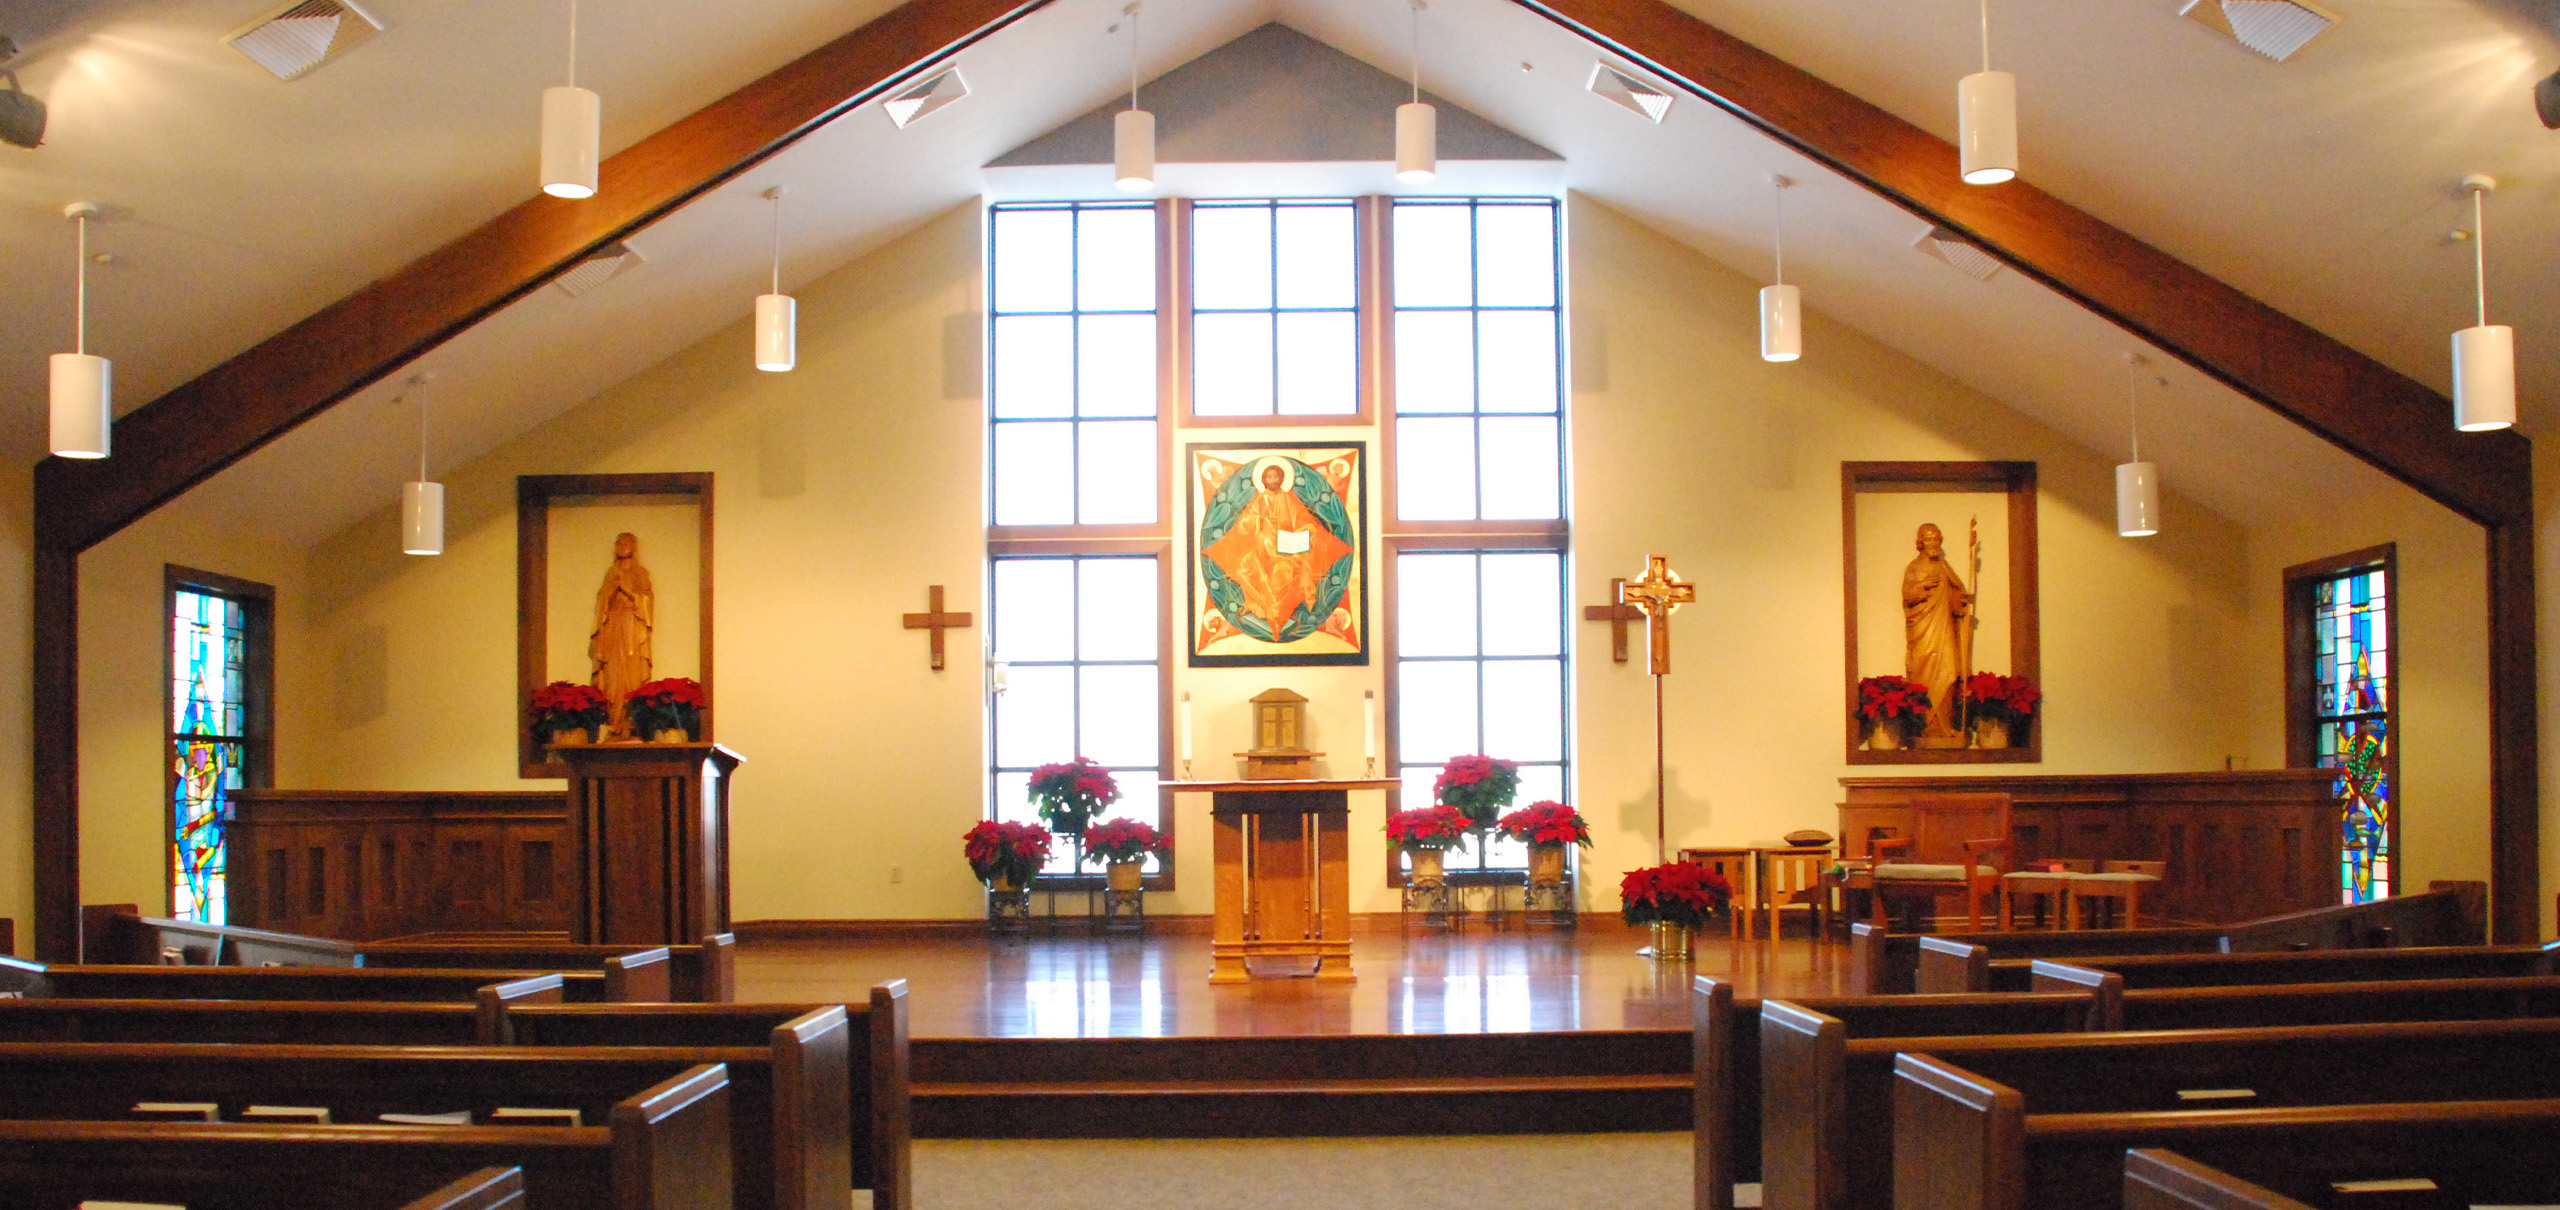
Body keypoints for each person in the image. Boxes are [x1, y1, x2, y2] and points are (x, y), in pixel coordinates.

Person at [1207, 459, 1342, 634]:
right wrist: (1258, 518)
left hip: (1287, 543)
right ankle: (1259, 607)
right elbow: (1244, 525)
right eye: (1268, 477)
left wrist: (1307, 531)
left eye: (1275, 477)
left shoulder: (1287, 498)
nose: (1272, 480)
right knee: (1248, 566)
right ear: (1263, 480)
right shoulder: (1261, 499)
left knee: (1285, 569)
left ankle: (1278, 612)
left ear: (1281, 478)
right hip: (1265, 541)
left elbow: (1300, 521)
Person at [1901, 522, 1971, 742]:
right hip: (1923, 629)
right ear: (1920, 542)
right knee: (1924, 674)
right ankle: (1925, 727)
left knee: (1949, 671)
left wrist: (1960, 599)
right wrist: (1923, 586)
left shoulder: (1944, 566)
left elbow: (1955, 593)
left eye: (1936, 539)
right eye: (1928, 539)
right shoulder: (1914, 567)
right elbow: (1907, 595)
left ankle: (1945, 726)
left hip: (1944, 628)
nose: (1933, 543)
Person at [589, 532, 654, 738]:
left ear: (632, 547)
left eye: (625, 543)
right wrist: (609, 592)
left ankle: (630, 722)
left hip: (631, 629)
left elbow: (646, 601)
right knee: (613, 676)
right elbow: (601, 603)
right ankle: (614, 723)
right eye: (618, 542)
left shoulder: (640, 573)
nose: (620, 546)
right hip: (614, 629)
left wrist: (627, 590)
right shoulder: (611, 573)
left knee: (631, 676)